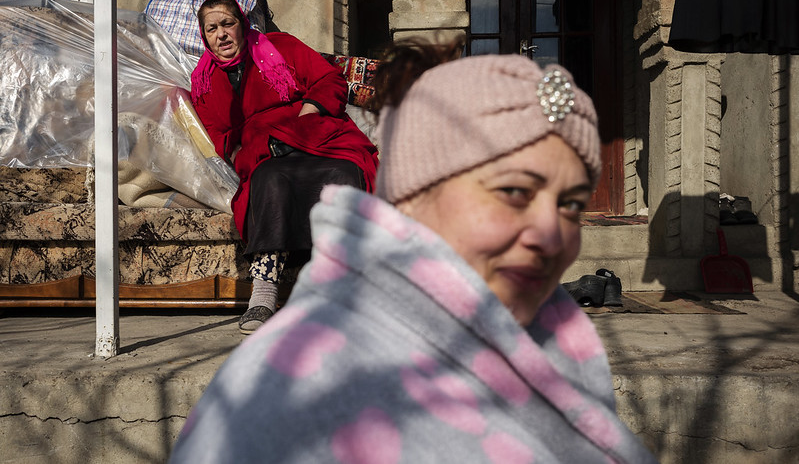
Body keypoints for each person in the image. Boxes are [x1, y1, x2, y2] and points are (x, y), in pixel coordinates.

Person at [170, 40, 658, 463]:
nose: (552, 236)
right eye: (514, 193)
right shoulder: (287, 381)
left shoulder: (557, 334)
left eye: (570, 203)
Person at [190, 0, 379, 334]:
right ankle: (264, 292)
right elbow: (217, 133)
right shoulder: (203, 81)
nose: (222, 34)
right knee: (269, 181)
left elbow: (329, 80)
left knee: (344, 175)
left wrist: (307, 114)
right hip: (266, 150)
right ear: (204, 36)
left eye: (228, 24)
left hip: (317, 135)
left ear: (242, 24)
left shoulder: (280, 46)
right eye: (212, 28)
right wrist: (240, 154)